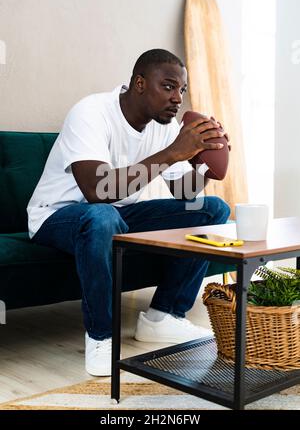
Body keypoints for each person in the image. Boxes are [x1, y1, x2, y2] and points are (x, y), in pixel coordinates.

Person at [27, 49, 230, 376]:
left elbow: (184, 193)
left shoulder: (162, 126)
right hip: (57, 216)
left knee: (211, 210)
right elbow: (97, 191)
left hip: (117, 216)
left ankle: (163, 317)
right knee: (101, 216)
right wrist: (174, 152)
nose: (177, 98)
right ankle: (101, 337)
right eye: (168, 86)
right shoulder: (91, 112)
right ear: (139, 83)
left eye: (181, 90)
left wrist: (205, 161)